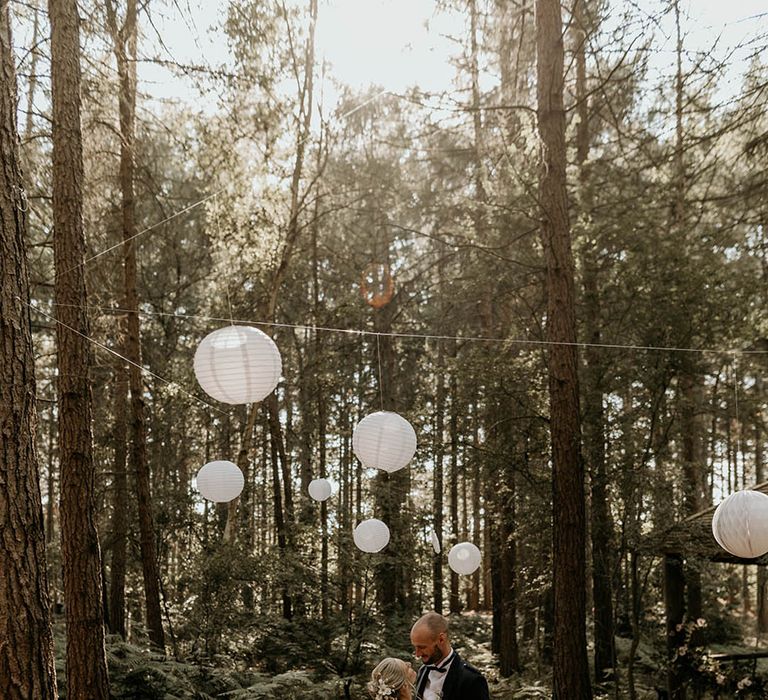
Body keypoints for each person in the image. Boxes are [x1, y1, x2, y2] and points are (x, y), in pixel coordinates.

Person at [410, 612, 490, 700]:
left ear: (441, 639)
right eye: (415, 647)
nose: (417, 654)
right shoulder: (423, 671)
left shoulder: (471, 680)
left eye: (422, 647)